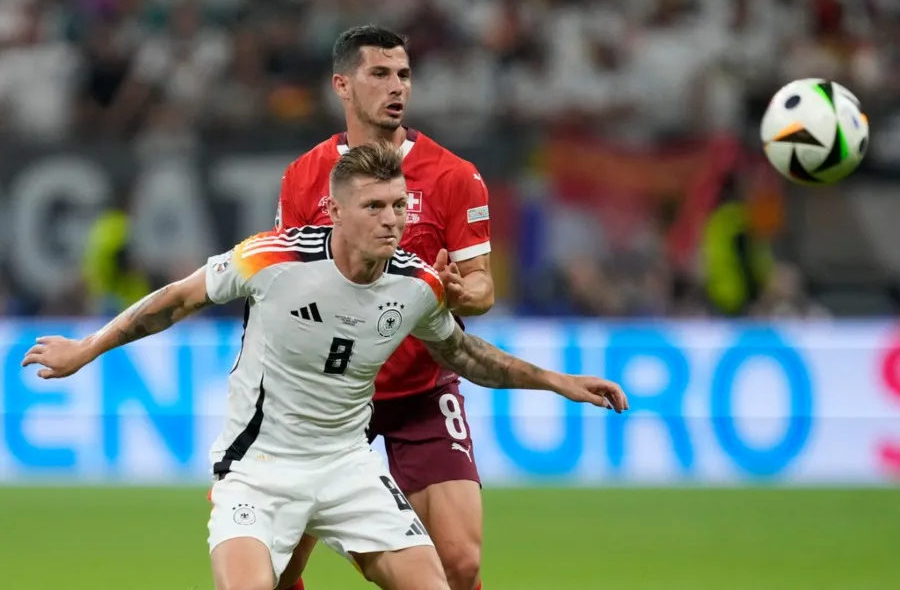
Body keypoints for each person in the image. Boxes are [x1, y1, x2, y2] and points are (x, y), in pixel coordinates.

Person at [21, 143, 628, 590]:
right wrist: (85, 349)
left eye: (399, 205)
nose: (393, 219)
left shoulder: (416, 285)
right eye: (375, 206)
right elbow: (175, 299)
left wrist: (557, 381)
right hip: (257, 470)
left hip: (347, 467)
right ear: (335, 213)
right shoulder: (272, 259)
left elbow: (465, 355)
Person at [277, 25, 496, 590]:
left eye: (403, 74)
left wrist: (452, 290)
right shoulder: (304, 177)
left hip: (420, 391)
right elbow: (282, 285)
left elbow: (483, 291)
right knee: (274, 571)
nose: (397, 85)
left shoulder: (454, 175)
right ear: (342, 86)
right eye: (380, 73)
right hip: (326, 397)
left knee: (461, 564)